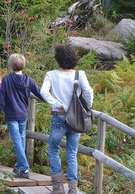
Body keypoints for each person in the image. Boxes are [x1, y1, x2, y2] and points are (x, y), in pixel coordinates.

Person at [39, 45, 94, 194]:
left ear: (58, 60)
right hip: (76, 117)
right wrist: (85, 107)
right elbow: (88, 91)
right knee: (71, 153)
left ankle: (57, 188)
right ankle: (72, 190)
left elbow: (43, 91)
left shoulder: (51, 74)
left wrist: (57, 104)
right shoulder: (79, 74)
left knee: (53, 149)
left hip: (59, 116)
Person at [0, 54, 44, 178]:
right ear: (23, 65)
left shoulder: (7, 79)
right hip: (23, 114)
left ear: (10, 65)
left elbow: (1, 98)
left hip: (11, 114)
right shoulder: (28, 79)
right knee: (20, 139)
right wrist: (53, 102)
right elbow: (40, 93)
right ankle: (19, 167)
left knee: (17, 141)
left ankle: (25, 168)